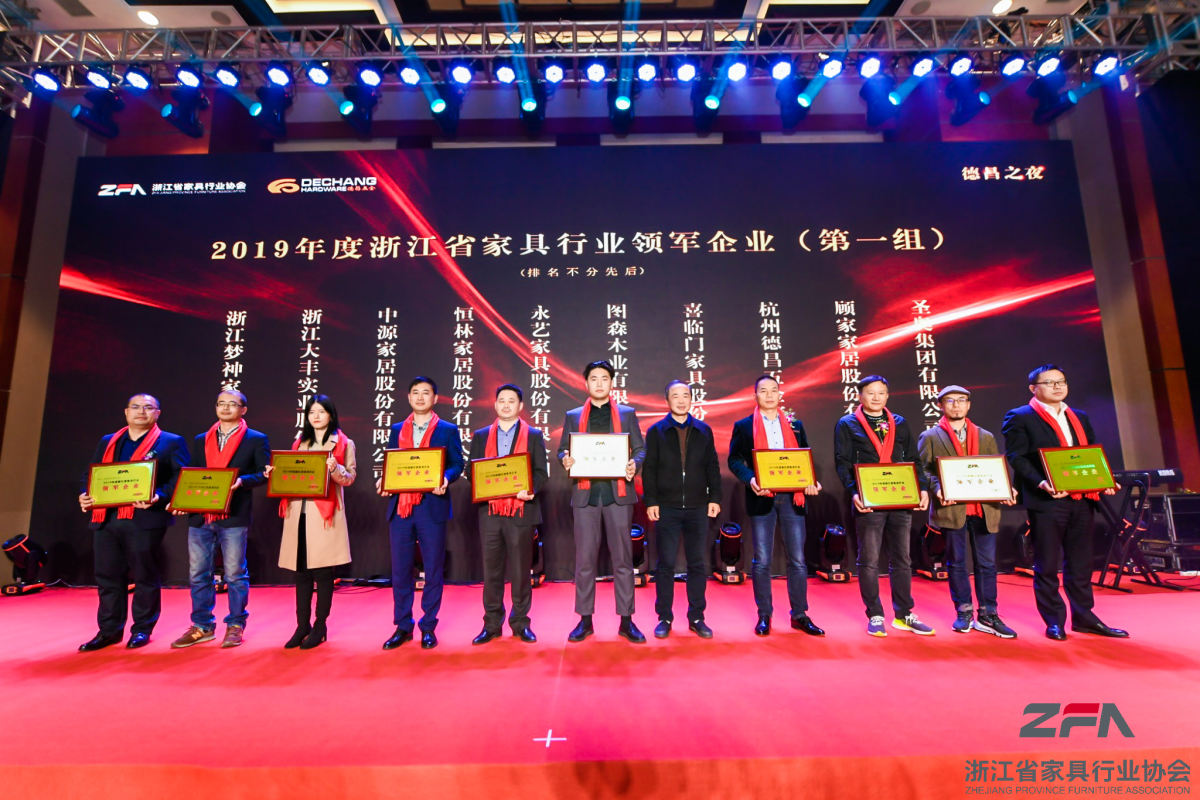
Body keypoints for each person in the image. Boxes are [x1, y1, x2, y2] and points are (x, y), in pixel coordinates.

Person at [1001, 364, 1127, 641]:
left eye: (1061, 381)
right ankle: (1054, 620)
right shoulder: (1019, 416)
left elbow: (1090, 454)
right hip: (1047, 499)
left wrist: (1104, 480)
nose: (1057, 386)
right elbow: (1017, 457)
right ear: (1033, 388)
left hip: (1082, 498)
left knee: (1081, 562)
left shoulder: (1078, 416)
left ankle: (1085, 617)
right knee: (1047, 562)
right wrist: (1041, 482)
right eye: (1049, 382)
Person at [77, 393, 189, 651]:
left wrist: (159, 496)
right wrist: (84, 494)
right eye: (136, 407)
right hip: (106, 518)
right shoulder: (108, 441)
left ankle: (142, 629)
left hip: (145, 518)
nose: (141, 411)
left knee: (144, 575)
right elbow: (91, 473)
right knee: (107, 576)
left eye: (148, 407)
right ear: (126, 412)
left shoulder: (171, 442)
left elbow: (180, 477)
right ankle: (108, 631)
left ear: (158, 413)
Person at [169, 390, 270, 649]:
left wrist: (241, 481)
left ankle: (236, 624)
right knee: (198, 573)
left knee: (235, 573)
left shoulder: (256, 439)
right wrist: (180, 501)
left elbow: (264, 474)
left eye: (232, 404)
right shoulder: (201, 439)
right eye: (221, 403)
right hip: (200, 515)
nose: (225, 408)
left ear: (243, 409)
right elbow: (191, 475)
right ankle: (202, 625)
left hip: (233, 515)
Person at [834, 375, 933, 637]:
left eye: (881, 393)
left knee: (902, 559)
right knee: (869, 559)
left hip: (900, 498)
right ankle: (875, 614)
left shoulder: (899, 422)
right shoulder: (847, 424)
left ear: (887, 396)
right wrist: (854, 492)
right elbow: (842, 462)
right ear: (860, 396)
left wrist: (922, 488)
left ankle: (904, 614)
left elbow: (913, 459)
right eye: (871, 392)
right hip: (869, 500)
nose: (876, 397)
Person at [557, 360, 647, 644]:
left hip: (618, 496)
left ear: (611, 383)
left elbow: (640, 449)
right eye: (594, 378)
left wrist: (634, 464)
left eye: (604, 378)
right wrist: (565, 459)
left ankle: (626, 620)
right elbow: (562, 450)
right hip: (585, 496)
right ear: (586, 383)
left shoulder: (626, 414)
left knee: (623, 560)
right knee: (585, 560)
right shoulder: (573, 416)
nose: (599, 383)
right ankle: (585, 620)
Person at [916, 385, 1017, 639]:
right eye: (950, 401)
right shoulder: (930, 436)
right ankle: (963, 611)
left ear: (969, 405)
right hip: (952, 509)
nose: (956, 405)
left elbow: (994, 467)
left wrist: (1006, 487)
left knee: (987, 564)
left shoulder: (985, 436)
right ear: (940, 405)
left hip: (985, 508)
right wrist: (938, 487)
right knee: (957, 563)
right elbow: (923, 470)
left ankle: (989, 614)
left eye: (961, 400)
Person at [728, 375, 824, 637]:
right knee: (762, 560)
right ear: (755, 395)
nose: (769, 395)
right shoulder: (744, 426)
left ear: (780, 394)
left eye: (774, 390)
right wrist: (751, 479)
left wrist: (811, 481)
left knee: (798, 560)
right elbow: (734, 460)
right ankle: (764, 614)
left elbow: (804, 458)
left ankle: (800, 614)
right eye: (763, 391)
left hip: (793, 497)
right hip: (762, 497)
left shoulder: (795, 424)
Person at [380, 377, 465, 651]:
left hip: (432, 506)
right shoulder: (396, 429)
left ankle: (428, 625)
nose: (420, 397)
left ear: (435, 398)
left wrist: (445, 478)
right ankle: (403, 625)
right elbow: (392, 463)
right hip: (401, 507)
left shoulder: (448, 430)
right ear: (408, 398)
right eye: (415, 392)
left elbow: (457, 463)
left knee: (433, 568)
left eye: (425, 393)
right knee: (400, 569)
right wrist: (384, 481)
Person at [273, 394, 356, 650]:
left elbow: (350, 477)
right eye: (311, 412)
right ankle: (302, 626)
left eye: (321, 411)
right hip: (298, 512)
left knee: (322, 573)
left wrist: (335, 468)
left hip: (324, 516)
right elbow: (292, 474)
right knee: (301, 572)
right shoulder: (300, 443)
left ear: (331, 415)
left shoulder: (344, 443)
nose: (316, 416)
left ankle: (320, 626)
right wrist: (276, 473)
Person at [467, 384, 548, 645]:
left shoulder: (533, 435)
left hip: (521, 511)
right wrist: (484, 484)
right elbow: (471, 471)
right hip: (490, 512)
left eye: (511, 401)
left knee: (521, 571)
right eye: (501, 400)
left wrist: (530, 489)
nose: (505, 405)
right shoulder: (481, 436)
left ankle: (521, 623)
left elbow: (541, 473)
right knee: (491, 571)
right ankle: (491, 624)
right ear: (495, 405)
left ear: (520, 406)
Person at [643, 380, 721, 639]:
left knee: (697, 563)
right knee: (665, 564)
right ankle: (664, 617)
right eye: (675, 396)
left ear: (691, 399)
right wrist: (651, 501)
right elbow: (649, 469)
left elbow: (712, 466)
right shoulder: (656, 431)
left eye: (685, 395)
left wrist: (715, 498)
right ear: (667, 401)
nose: (681, 400)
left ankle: (697, 617)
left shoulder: (704, 430)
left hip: (698, 506)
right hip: (667, 507)